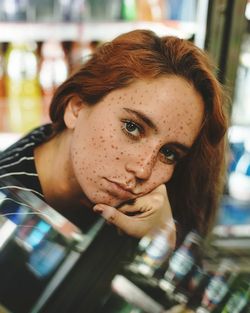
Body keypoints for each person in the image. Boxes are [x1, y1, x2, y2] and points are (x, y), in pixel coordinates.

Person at [0, 29, 228, 312]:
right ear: (77, 107)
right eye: (132, 127)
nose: (144, 169)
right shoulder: (8, 213)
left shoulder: (141, 214)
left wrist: (159, 245)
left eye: (169, 153)